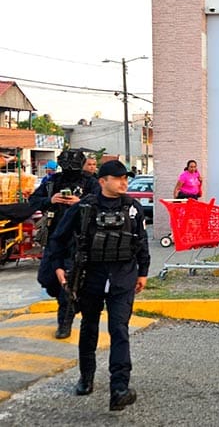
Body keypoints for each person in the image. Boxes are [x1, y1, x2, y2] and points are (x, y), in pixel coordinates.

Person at [49, 160, 149, 411]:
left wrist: (143, 272)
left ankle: (119, 388)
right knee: (89, 327)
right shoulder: (83, 208)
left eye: (125, 178)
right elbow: (57, 239)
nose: (124, 182)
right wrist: (58, 266)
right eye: (118, 178)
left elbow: (141, 241)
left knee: (119, 329)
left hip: (123, 277)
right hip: (91, 277)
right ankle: (86, 378)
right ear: (103, 181)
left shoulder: (133, 208)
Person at [29, 149, 101, 339]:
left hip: (79, 239)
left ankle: (64, 323)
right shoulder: (53, 182)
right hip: (55, 238)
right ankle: (74, 303)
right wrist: (50, 200)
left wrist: (80, 202)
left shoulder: (90, 182)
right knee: (47, 278)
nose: (70, 168)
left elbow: (101, 203)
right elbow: (33, 201)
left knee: (67, 284)